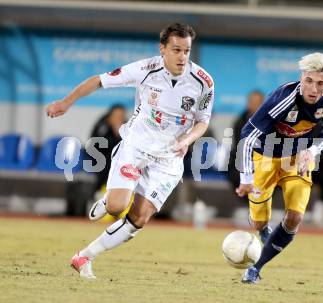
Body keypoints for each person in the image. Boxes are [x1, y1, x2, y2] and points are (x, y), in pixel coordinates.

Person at [46, 23, 214, 279]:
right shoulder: (145, 69)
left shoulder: (203, 82)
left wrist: (188, 139)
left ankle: (84, 257)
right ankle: (108, 200)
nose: (182, 57)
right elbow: (98, 81)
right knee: (116, 208)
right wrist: (66, 102)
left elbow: (203, 121)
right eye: (176, 50)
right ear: (163, 49)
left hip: (169, 158)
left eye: (187, 51)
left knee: (140, 217)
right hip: (136, 148)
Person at [236, 53, 323, 284]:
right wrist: (246, 176)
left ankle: (256, 268)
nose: (314, 89)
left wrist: (311, 151)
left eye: (321, 83)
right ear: (301, 78)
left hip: (297, 160)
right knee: (259, 222)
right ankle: (266, 234)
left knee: (294, 217)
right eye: (309, 81)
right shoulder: (281, 99)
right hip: (265, 158)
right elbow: (247, 135)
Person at [227, 90, 265, 190]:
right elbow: (240, 148)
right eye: (252, 103)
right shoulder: (239, 122)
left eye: (258, 103)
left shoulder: (272, 123)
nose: (255, 106)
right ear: (248, 104)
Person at [89, 104, 127, 192]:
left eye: (121, 116)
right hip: (99, 158)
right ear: (110, 116)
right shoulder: (102, 125)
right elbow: (96, 145)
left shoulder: (127, 126)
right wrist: (116, 134)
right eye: (116, 116)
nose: (119, 119)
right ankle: (98, 192)